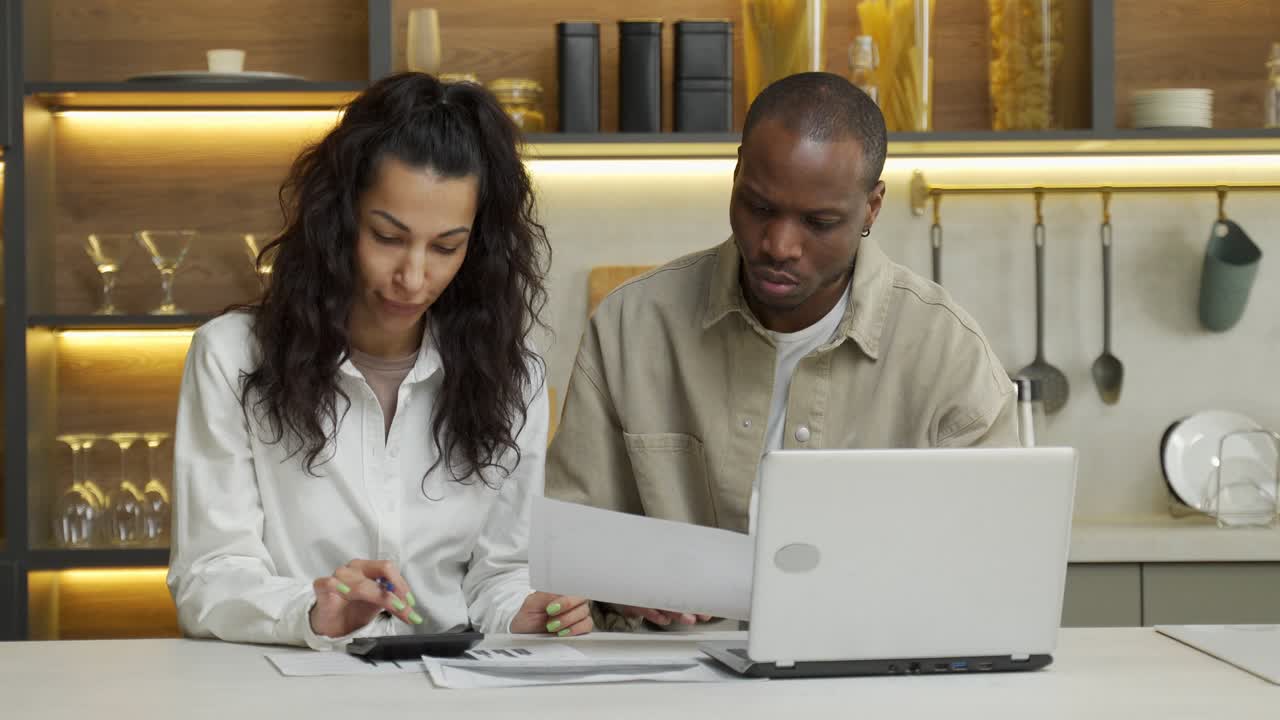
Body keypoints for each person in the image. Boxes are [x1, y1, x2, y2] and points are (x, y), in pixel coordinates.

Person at [546, 73, 1018, 630]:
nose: (779, 246)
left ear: (872, 208)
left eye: (819, 223)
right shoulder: (630, 326)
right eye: (760, 207)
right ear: (737, 172)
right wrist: (614, 587)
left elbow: (993, 580)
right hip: (670, 692)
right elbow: (562, 552)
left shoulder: (950, 357)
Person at [167, 73, 591, 648]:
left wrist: (525, 610)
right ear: (338, 220)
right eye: (388, 237)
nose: (414, 277)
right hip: (286, 685)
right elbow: (209, 575)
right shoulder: (232, 357)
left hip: (452, 687)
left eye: (446, 247)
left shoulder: (515, 379)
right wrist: (313, 611)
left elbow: (500, 573)